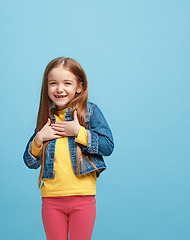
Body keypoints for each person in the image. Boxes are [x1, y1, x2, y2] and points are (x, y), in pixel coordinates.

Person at [23, 57, 114, 240]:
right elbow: (30, 162)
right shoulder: (46, 118)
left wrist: (79, 132)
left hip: (83, 197)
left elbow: (107, 146)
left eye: (67, 83)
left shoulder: (89, 112)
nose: (59, 89)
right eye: (53, 83)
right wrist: (39, 139)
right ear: (46, 87)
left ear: (79, 86)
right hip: (51, 199)